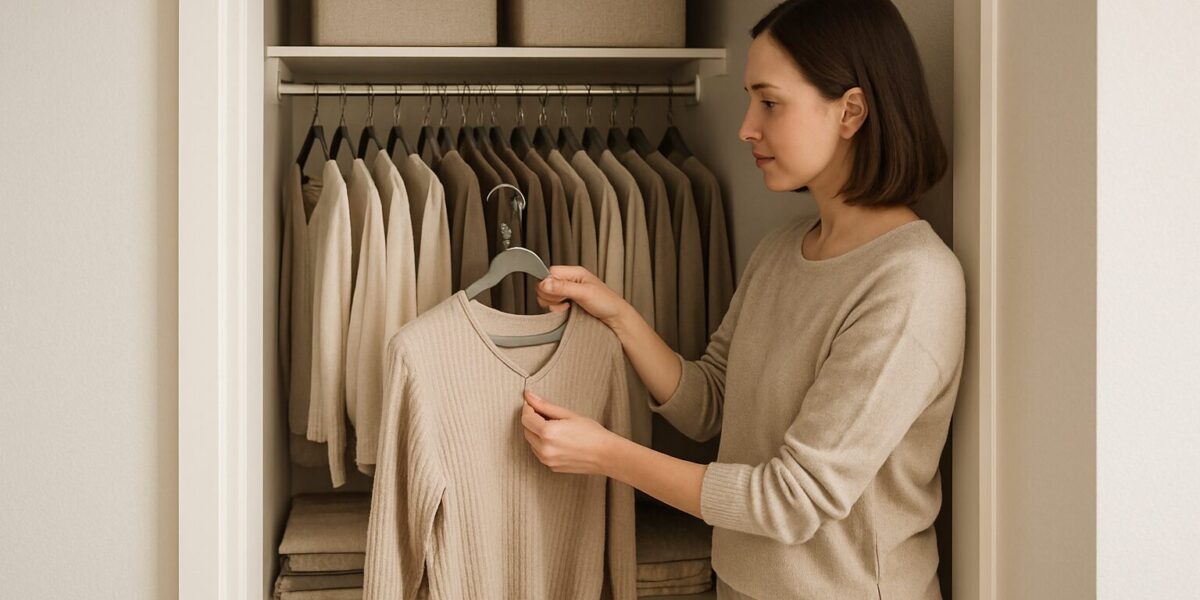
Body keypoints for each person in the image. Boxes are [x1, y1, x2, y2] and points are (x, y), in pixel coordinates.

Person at [519, 0, 966, 597]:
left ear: (850, 111)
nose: (746, 126)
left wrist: (606, 455)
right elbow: (712, 404)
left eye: (770, 102)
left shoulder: (912, 280)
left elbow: (792, 500)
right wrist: (619, 316)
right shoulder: (781, 250)